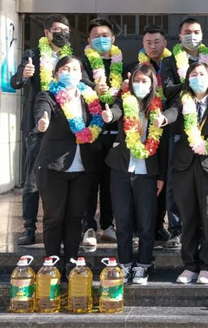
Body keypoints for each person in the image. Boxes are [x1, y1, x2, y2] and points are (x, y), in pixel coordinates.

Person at [33, 55, 112, 280]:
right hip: (54, 167)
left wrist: (106, 116)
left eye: (75, 69)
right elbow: (42, 111)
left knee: (75, 217)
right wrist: (42, 121)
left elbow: (97, 121)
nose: (70, 73)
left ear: (81, 75)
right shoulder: (48, 95)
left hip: (82, 167)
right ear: (56, 73)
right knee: (54, 217)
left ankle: (70, 261)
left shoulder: (89, 97)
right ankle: (52, 264)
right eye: (65, 69)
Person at [161, 62, 208, 285]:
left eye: (202, 74)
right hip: (184, 167)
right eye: (194, 74)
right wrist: (164, 118)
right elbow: (173, 113)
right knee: (188, 217)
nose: (198, 78)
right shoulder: (182, 99)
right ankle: (190, 266)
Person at [11, 14, 73, 246]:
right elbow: (15, 82)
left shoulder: (70, 59)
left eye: (65, 31)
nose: (62, 34)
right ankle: (29, 227)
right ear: (47, 33)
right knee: (32, 179)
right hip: (38, 125)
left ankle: (59, 226)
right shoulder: (33, 55)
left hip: (64, 126)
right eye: (57, 30)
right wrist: (23, 75)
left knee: (61, 177)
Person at [106, 64, 167, 284]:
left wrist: (161, 176)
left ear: (152, 84)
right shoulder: (125, 101)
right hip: (121, 170)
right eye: (137, 81)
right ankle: (124, 264)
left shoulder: (158, 108)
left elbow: (164, 146)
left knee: (146, 222)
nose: (140, 85)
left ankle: (143, 265)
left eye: (145, 81)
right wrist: (108, 115)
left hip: (147, 173)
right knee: (122, 221)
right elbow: (115, 112)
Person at [133, 26, 180, 249]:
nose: (153, 46)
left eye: (157, 42)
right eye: (148, 42)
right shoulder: (136, 69)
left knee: (165, 176)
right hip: (144, 128)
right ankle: (143, 225)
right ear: (143, 45)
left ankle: (161, 224)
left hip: (169, 127)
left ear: (165, 43)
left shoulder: (175, 65)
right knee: (147, 176)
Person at [79, 18, 122, 249]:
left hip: (114, 132)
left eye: (105, 35)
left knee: (110, 182)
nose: (101, 40)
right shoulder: (81, 63)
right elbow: (78, 82)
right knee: (89, 180)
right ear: (89, 40)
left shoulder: (120, 63)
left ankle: (107, 224)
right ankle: (88, 226)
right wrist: (93, 87)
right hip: (89, 129)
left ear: (113, 38)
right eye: (96, 36)